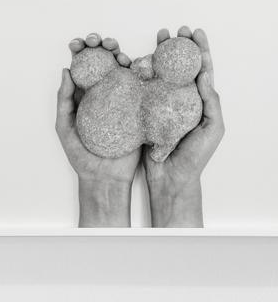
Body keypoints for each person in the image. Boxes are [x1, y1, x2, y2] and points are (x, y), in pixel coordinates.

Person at [54, 26, 225, 229]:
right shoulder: (173, 91)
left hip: (116, 125)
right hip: (108, 125)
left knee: (97, 67)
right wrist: (100, 182)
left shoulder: (183, 100)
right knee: (95, 67)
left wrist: (174, 173)